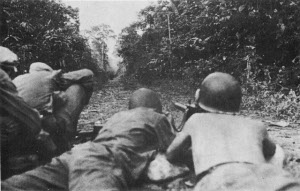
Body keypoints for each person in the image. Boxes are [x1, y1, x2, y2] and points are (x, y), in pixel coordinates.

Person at [2, 88, 175, 190]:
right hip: (104, 159)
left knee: (14, 186)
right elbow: (178, 148)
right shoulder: (156, 117)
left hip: (78, 154)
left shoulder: (118, 117)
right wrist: (171, 125)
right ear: (156, 108)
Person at [166, 72, 300, 190]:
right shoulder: (256, 124)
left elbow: (171, 154)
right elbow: (272, 152)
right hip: (266, 175)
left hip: (220, 178)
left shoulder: (195, 120)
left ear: (198, 96)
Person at [13, 62, 94, 154]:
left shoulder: (16, 80)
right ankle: (66, 141)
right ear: (48, 71)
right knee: (77, 88)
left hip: (17, 131)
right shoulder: (50, 76)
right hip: (46, 129)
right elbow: (88, 73)